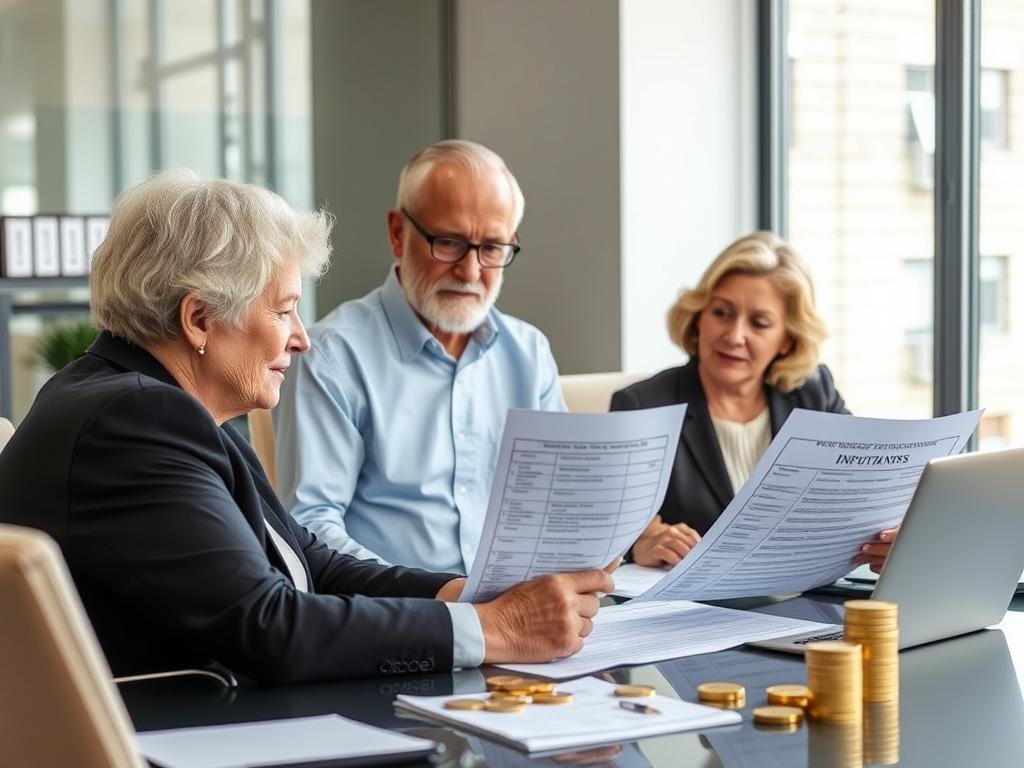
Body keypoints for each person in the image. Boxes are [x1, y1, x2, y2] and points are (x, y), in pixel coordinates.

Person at [0, 170, 610, 684]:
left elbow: (310, 560)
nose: (300, 337)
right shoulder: (137, 421)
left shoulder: (131, 399)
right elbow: (269, 626)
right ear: (199, 318)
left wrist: (464, 595)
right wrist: (494, 630)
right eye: (286, 308)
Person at [275, 140, 565, 574]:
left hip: (524, 613)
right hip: (401, 622)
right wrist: (438, 599)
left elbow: (555, 504)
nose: (470, 272)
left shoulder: (529, 352)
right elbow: (310, 528)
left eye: (491, 249)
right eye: (448, 243)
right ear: (397, 233)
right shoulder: (332, 355)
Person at [611, 231, 893, 570]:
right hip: (695, 610)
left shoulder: (814, 391)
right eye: (721, 313)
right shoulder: (643, 405)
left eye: (759, 323)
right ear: (699, 317)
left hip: (805, 594)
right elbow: (607, 534)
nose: (734, 336)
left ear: (786, 340)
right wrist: (642, 543)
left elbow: (860, 499)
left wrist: (888, 537)